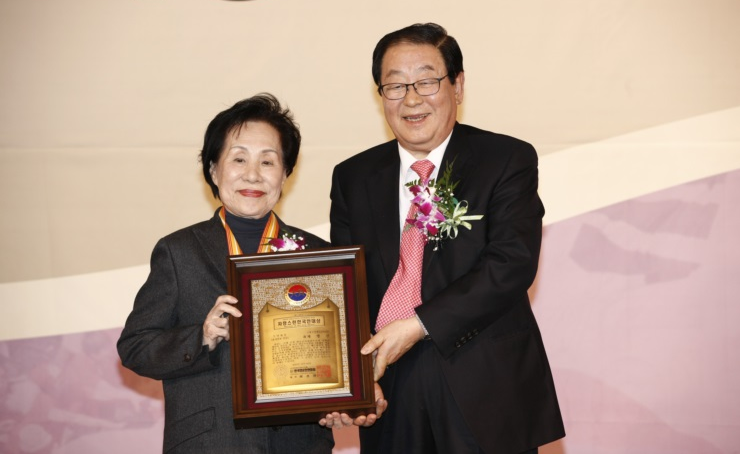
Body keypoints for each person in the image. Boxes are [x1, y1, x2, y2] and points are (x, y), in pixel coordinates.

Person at [329, 23, 566, 454]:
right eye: (395, 85)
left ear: (457, 85)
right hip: (390, 390)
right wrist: (355, 379)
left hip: (484, 385)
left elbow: (511, 263)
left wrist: (418, 325)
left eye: (426, 81)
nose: (411, 99)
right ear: (380, 95)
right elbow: (347, 287)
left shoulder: (505, 159)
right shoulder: (353, 176)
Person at [117, 94, 381, 453]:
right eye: (239, 159)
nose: (253, 174)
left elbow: (341, 357)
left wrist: (342, 399)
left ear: (285, 174)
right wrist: (202, 336)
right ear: (214, 170)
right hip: (211, 443)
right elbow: (135, 347)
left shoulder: (319, 254)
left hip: (298, 445)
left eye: (268, 161)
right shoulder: (179, 251)